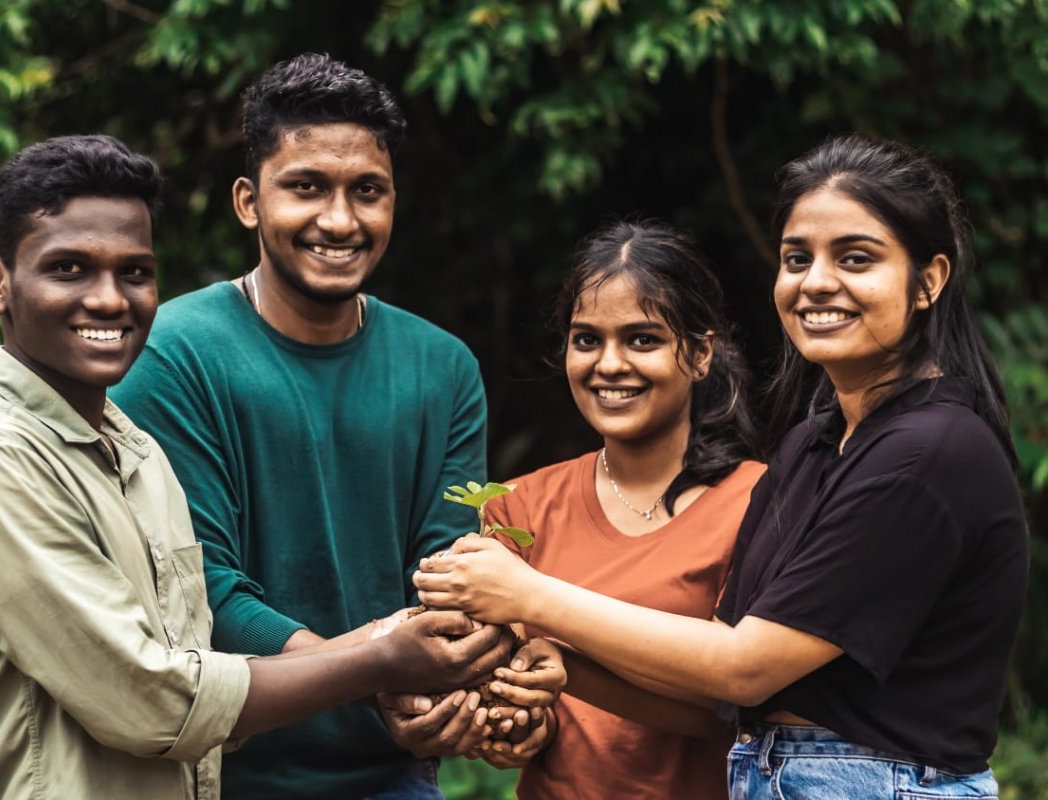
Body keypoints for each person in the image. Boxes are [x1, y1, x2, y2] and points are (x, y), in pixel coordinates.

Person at [415, 135, 1029, 798]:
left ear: (928, 280)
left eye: (855, 258)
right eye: (797, 258)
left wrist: (530, 598)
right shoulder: (814, 445)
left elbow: (744, 669)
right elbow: (721, 684)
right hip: (773, 771)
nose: (816, 281)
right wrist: (563, 666)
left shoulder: (929, 453)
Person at [0, 134, 514, 800]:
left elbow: (193, 645)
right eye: (69, 269)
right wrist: (379, 662)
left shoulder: (128, 448)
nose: (110, 299)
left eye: (134, 272)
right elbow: (152, 699)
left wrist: (484, 661)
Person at [110, 54, 560, 799]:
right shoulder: (171, 353)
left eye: (368, 192)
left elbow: (450, 574)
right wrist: (377, 672)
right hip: (228, 775)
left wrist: (464, 677)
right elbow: (202, 591)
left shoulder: (441, 366)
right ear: (249, 201)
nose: (341, 220)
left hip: (395, 772)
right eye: (308, 187)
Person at [464, 220, 764, 798]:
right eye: (587, 339)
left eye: (642, 339)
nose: (609, 364)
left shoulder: (759, 502)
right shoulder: (517, 504)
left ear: (700, 354)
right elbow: (513, 679)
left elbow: (737, 702)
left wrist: (550, 626)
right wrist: (515, 723)